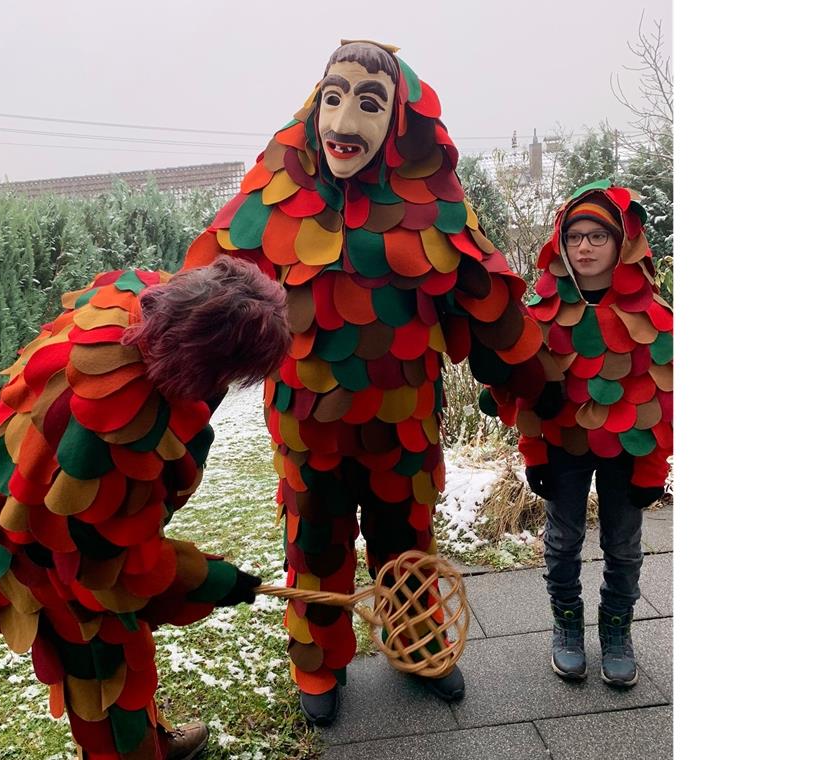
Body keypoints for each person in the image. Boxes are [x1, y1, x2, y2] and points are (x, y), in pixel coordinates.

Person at [181, 40, 544, 724]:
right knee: (315, 540)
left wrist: (537, 397)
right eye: (334, 97)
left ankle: (416, 642)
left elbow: (491, 309)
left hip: (403, 422)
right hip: (306, 422)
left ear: (397, 122)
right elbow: (208, 311)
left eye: (369, 103)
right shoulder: (272, 198)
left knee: (405, 538)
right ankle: (318, 661)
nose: (344, 121)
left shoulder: (433, 208)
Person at [0, 257, 291, 759]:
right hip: (43, 555)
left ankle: (151, 741)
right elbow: (121, 565)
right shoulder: (111, 430)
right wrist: (219, 581)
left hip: (50, 524)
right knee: (104, 675)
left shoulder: (131, 300)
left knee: (123, 665)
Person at [503, 180, 673, 687]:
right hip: (563, 445)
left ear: (623, 242)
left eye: (598, 235)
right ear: (561, 242)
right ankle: (568, 626)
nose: (584, 247)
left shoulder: (654, 319)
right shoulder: (541, 313)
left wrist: (652, 467)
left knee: (623, 545)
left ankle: (617, 630)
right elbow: (527, 395)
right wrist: (534, 453)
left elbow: (665, 402)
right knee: (563, 541)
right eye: (575, 236)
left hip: (629, 448)